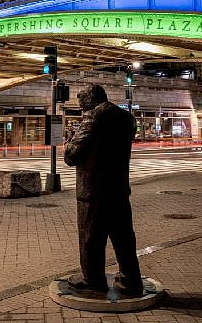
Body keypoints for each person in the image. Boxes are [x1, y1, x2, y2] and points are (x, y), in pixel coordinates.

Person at [64, 83, 143, 297]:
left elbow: (71, 155)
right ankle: (131, 281)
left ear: (90, 101)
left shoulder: (93, 117)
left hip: (93, 191)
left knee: (91, 238)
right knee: (124, 237)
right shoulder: (126, 118)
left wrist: (69, 142)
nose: (83, 111)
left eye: (83, 107)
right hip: (118, 189)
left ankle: (93, 280)